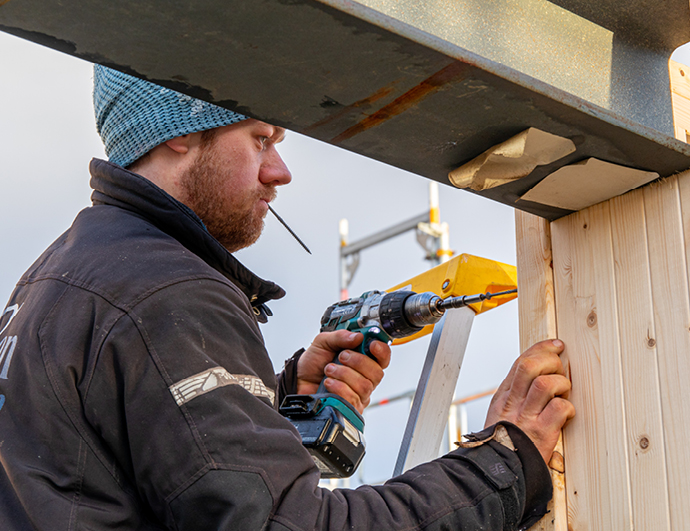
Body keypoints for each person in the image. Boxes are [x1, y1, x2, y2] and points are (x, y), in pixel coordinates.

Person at [0, 65, 575, 530]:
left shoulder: (58, 276)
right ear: (176, 131)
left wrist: (272, 409)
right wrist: (504, 463)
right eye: (260, 139)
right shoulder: (171, 293)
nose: (281, 171)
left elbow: (114, 480)